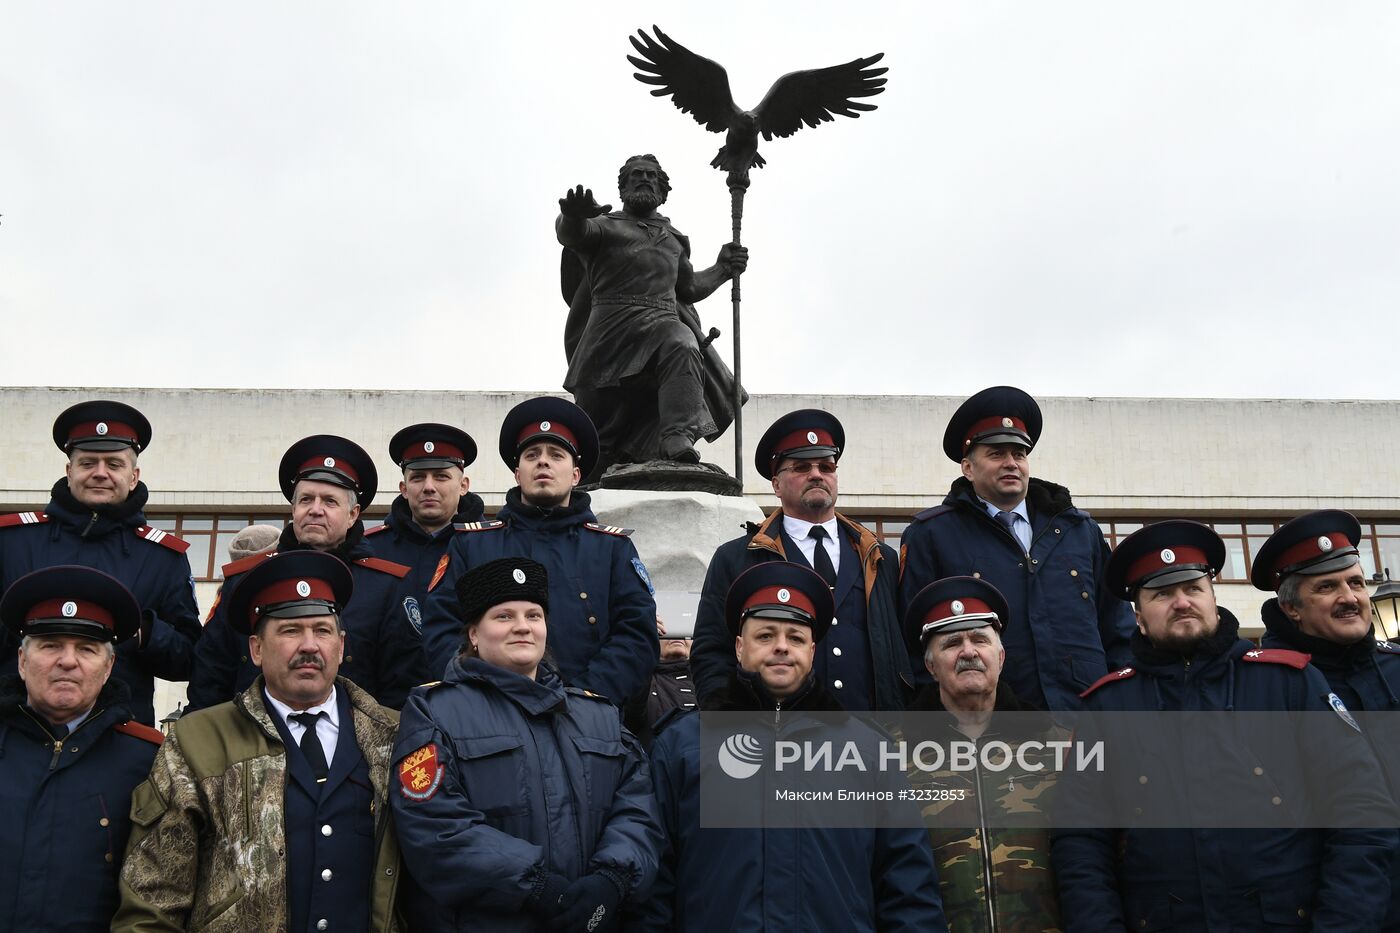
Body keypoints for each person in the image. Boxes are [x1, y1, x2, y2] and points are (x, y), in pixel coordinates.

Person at [1052, 520, 1398, 930]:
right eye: (1163, 593)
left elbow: (1362, 812)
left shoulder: (1290, 683)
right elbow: (1080, 843)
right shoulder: (1106, 708)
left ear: (1213, 598)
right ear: (1138, 617)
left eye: (1193, 588)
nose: (1182, 602)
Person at [639, 562, 947, 932]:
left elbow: (908, 887)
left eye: (796, 638)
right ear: (739, 647)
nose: (782, 646)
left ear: (812, 650)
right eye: (765, 635)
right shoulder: (682, 747)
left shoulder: (868, 752)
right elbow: (653, 887)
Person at [115, 551, 402, 932]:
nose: (309, 646)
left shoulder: (395, 736)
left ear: (341, 645)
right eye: (290, 631)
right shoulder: (199, 742)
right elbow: (153, 897)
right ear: (256, 649)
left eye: (322, 630)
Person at [392, 557, 661, 932]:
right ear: (473, 634)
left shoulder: (598, 715)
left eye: (533, 616)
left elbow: (639, 809)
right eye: (504, 616)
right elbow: (433, 825)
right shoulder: (434, 712)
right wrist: (536, 887)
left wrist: (612, 879)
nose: (522, 626)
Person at [899, 386, 1134, 711]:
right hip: (996, 725)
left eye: (1019, 454)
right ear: (968, 468)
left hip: (1089, 717)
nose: (1011, 463)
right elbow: (914, 642)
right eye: (996, 454)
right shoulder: (931, 535)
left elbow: (1118, 628)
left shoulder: (1079, 530)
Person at [419, 397, 659, 706]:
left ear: (575, 475)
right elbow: (441, 629)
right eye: (532, 455)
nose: (543, 462)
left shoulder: (612, 548)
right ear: (518, 474)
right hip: (488, 712)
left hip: (587, 716)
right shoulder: (471, 544)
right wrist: (484, 696)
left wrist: (582, 701)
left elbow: (636, 637)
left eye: (556, 455)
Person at [691, 409, 913, 710]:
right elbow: (712, 654)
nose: (817, 474)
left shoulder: (880, 556)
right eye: (801, 467)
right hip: (774, 731)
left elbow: (903, 649)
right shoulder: (736, 557)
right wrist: (733, 725)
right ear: (776, 484)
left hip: (873, 731)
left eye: (826, 467)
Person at [0, 400, 200, 724]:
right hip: (15, 731)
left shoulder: (163, 557)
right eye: (88, 462)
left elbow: (191, 660)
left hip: (119, 736)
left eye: (114, 464)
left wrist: (144, 633)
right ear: (69, 472)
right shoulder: (12, 542)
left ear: (133, 476)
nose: (100, 473)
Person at [188, 435, 417, 710]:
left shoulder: (387, 587)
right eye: (306, 499)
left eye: (330, 502)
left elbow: (401, 690)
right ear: (294, 508)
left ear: (353, 514)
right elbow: (209, 678)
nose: (315, 510)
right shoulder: (246, 580)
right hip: (250, 734)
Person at [1254, 509, 1400, 929]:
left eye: (1356, 582)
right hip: (1335, 907)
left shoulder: (1395, 668)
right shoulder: (1266, 688)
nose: (1349, 597)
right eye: (1327, 587)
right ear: (1292, 608)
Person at [558, 153, 747, 473]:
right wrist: (571, 216)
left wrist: (722, 269)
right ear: (623, 187)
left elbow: (688, 288)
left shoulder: (674, 239)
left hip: (662, 321)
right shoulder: (605, 226)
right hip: (611, 330)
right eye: (636, 175)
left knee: (683, 343)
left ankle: (677, 436)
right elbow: (573, 234)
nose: (644, 179)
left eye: (651, 176)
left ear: (663, 191)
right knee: (598, 436)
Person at [0, 565, 164, 931]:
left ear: (108, 668)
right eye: (50, 646)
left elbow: (159, 896)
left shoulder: (148, 762)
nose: (68, 661)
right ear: (22, 662)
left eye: (86, 649)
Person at [903, 576, 1063, 931]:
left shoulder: (1058, 747)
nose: (968, 652)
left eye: (980, 640)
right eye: (952, 643)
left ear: (1000, 657)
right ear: (930, 666)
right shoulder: (890, 755)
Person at [366, 422, 485, 645]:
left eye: (441, 476)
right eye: (418, 477)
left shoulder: (488, 546)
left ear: (463, 486)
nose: (429, 487)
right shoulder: (372, 550)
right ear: (404, 489)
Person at [645, 632, 697, 729]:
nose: (678, 635)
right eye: (668, 630)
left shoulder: (706, 681)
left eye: (684, 629)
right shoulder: (643, 679)